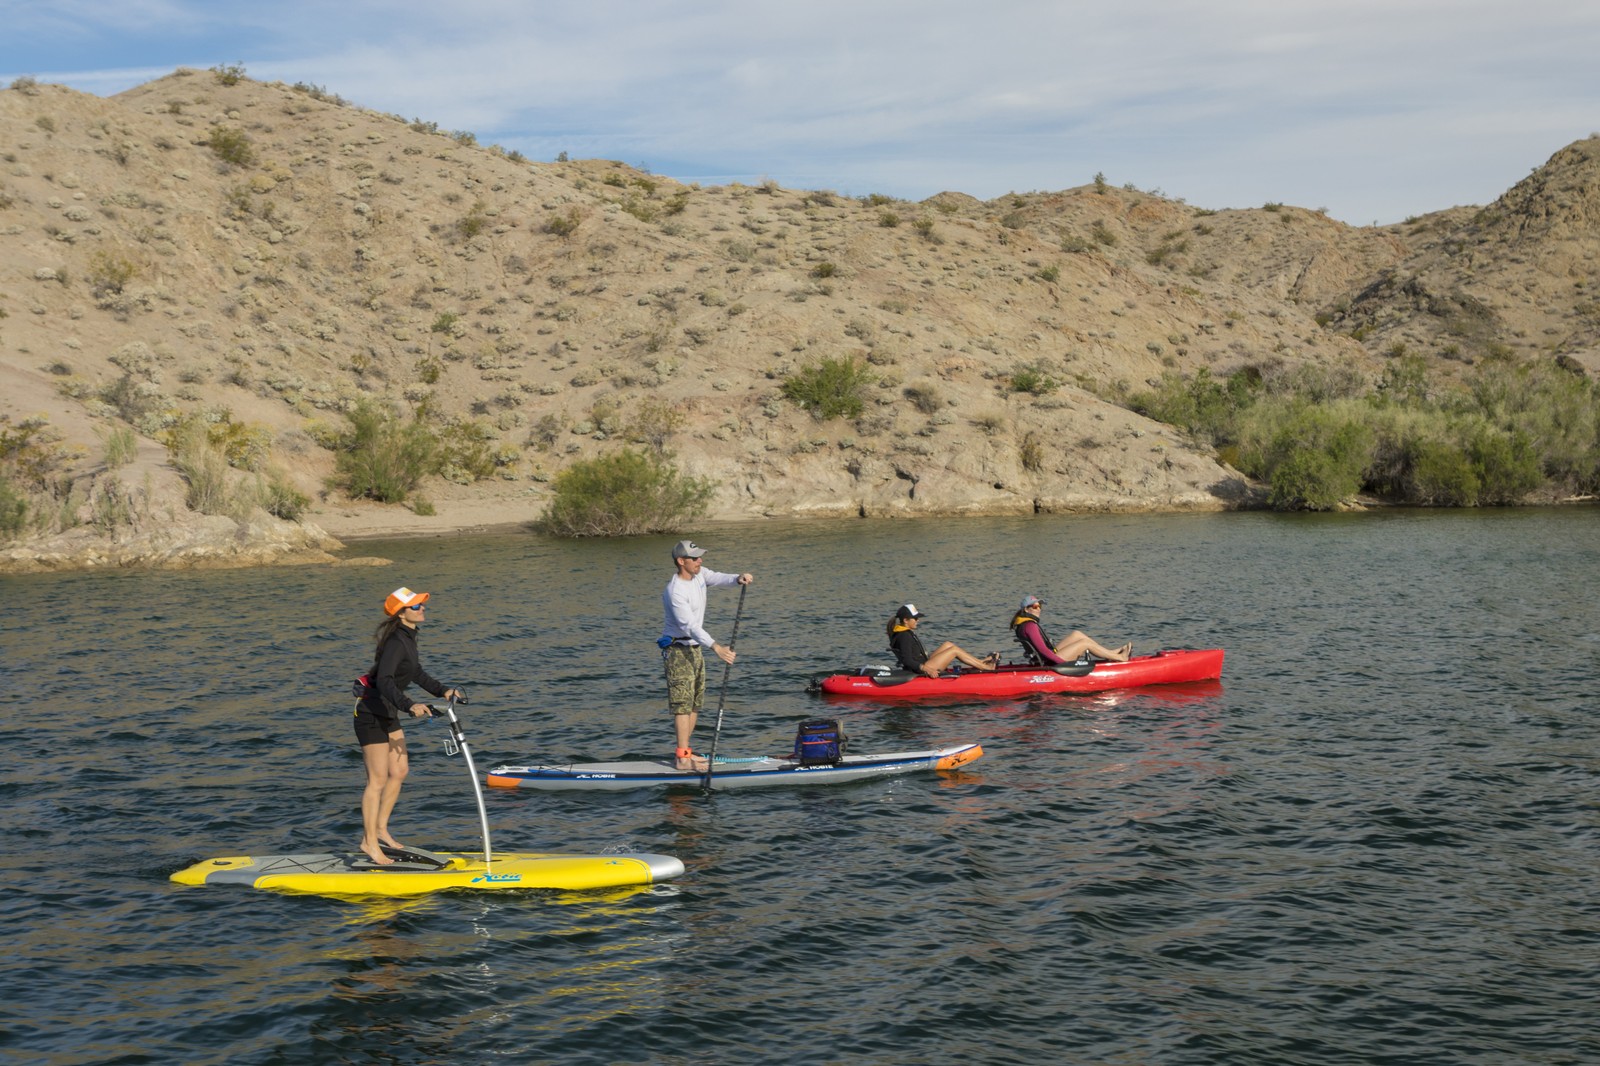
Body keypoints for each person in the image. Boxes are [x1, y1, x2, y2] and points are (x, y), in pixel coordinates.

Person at [353, 586, 465, 866]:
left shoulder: (408, 638)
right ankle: (368, 842)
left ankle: (380, 830)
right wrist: (409, 705)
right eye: (415, 606)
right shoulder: (395, 642)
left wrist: (443, 691)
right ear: (401, 613)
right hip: (371, 713)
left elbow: (415, 672)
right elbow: (386, 681)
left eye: (421, 605)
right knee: (376, 780)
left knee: (400, 771)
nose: (422, 608)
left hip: (388, 712)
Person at [661, 540, 753, 771]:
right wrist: (717, 647)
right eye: (695, 558)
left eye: (700, 557)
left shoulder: (699, 575)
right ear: (682, 561)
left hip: (695, 649)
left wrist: (737, 578)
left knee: (694, 704)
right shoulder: (675, 591)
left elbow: (718, 577)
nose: (700, 561)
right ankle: (682, 759)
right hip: (677, 650)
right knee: (682, 705)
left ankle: (686, 752)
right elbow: (690, 626)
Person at [1009, 594, 1130, 665]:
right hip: (1049, 661)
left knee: (1076, 634)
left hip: (1047, 657)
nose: (1039, 609)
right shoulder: (1030, 626)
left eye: (1040, 606)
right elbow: (1043, 651)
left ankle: (1110, 654)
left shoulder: (1025, 624)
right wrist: (1063, 665)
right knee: (1085, 644)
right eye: (1035, 606)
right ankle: (1120, 658)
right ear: (1026, 609)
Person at [886, 604, 999, 677]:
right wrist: (928, 670)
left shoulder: (903, 632)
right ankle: (986, 668)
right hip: (921, 668)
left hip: (924, 662)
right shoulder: (904, 636)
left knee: (948, 644)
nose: (918, 620)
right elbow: (907, 661)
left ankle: (980, 662)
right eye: (915, 618)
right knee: (954, 650)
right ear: (905, 620)